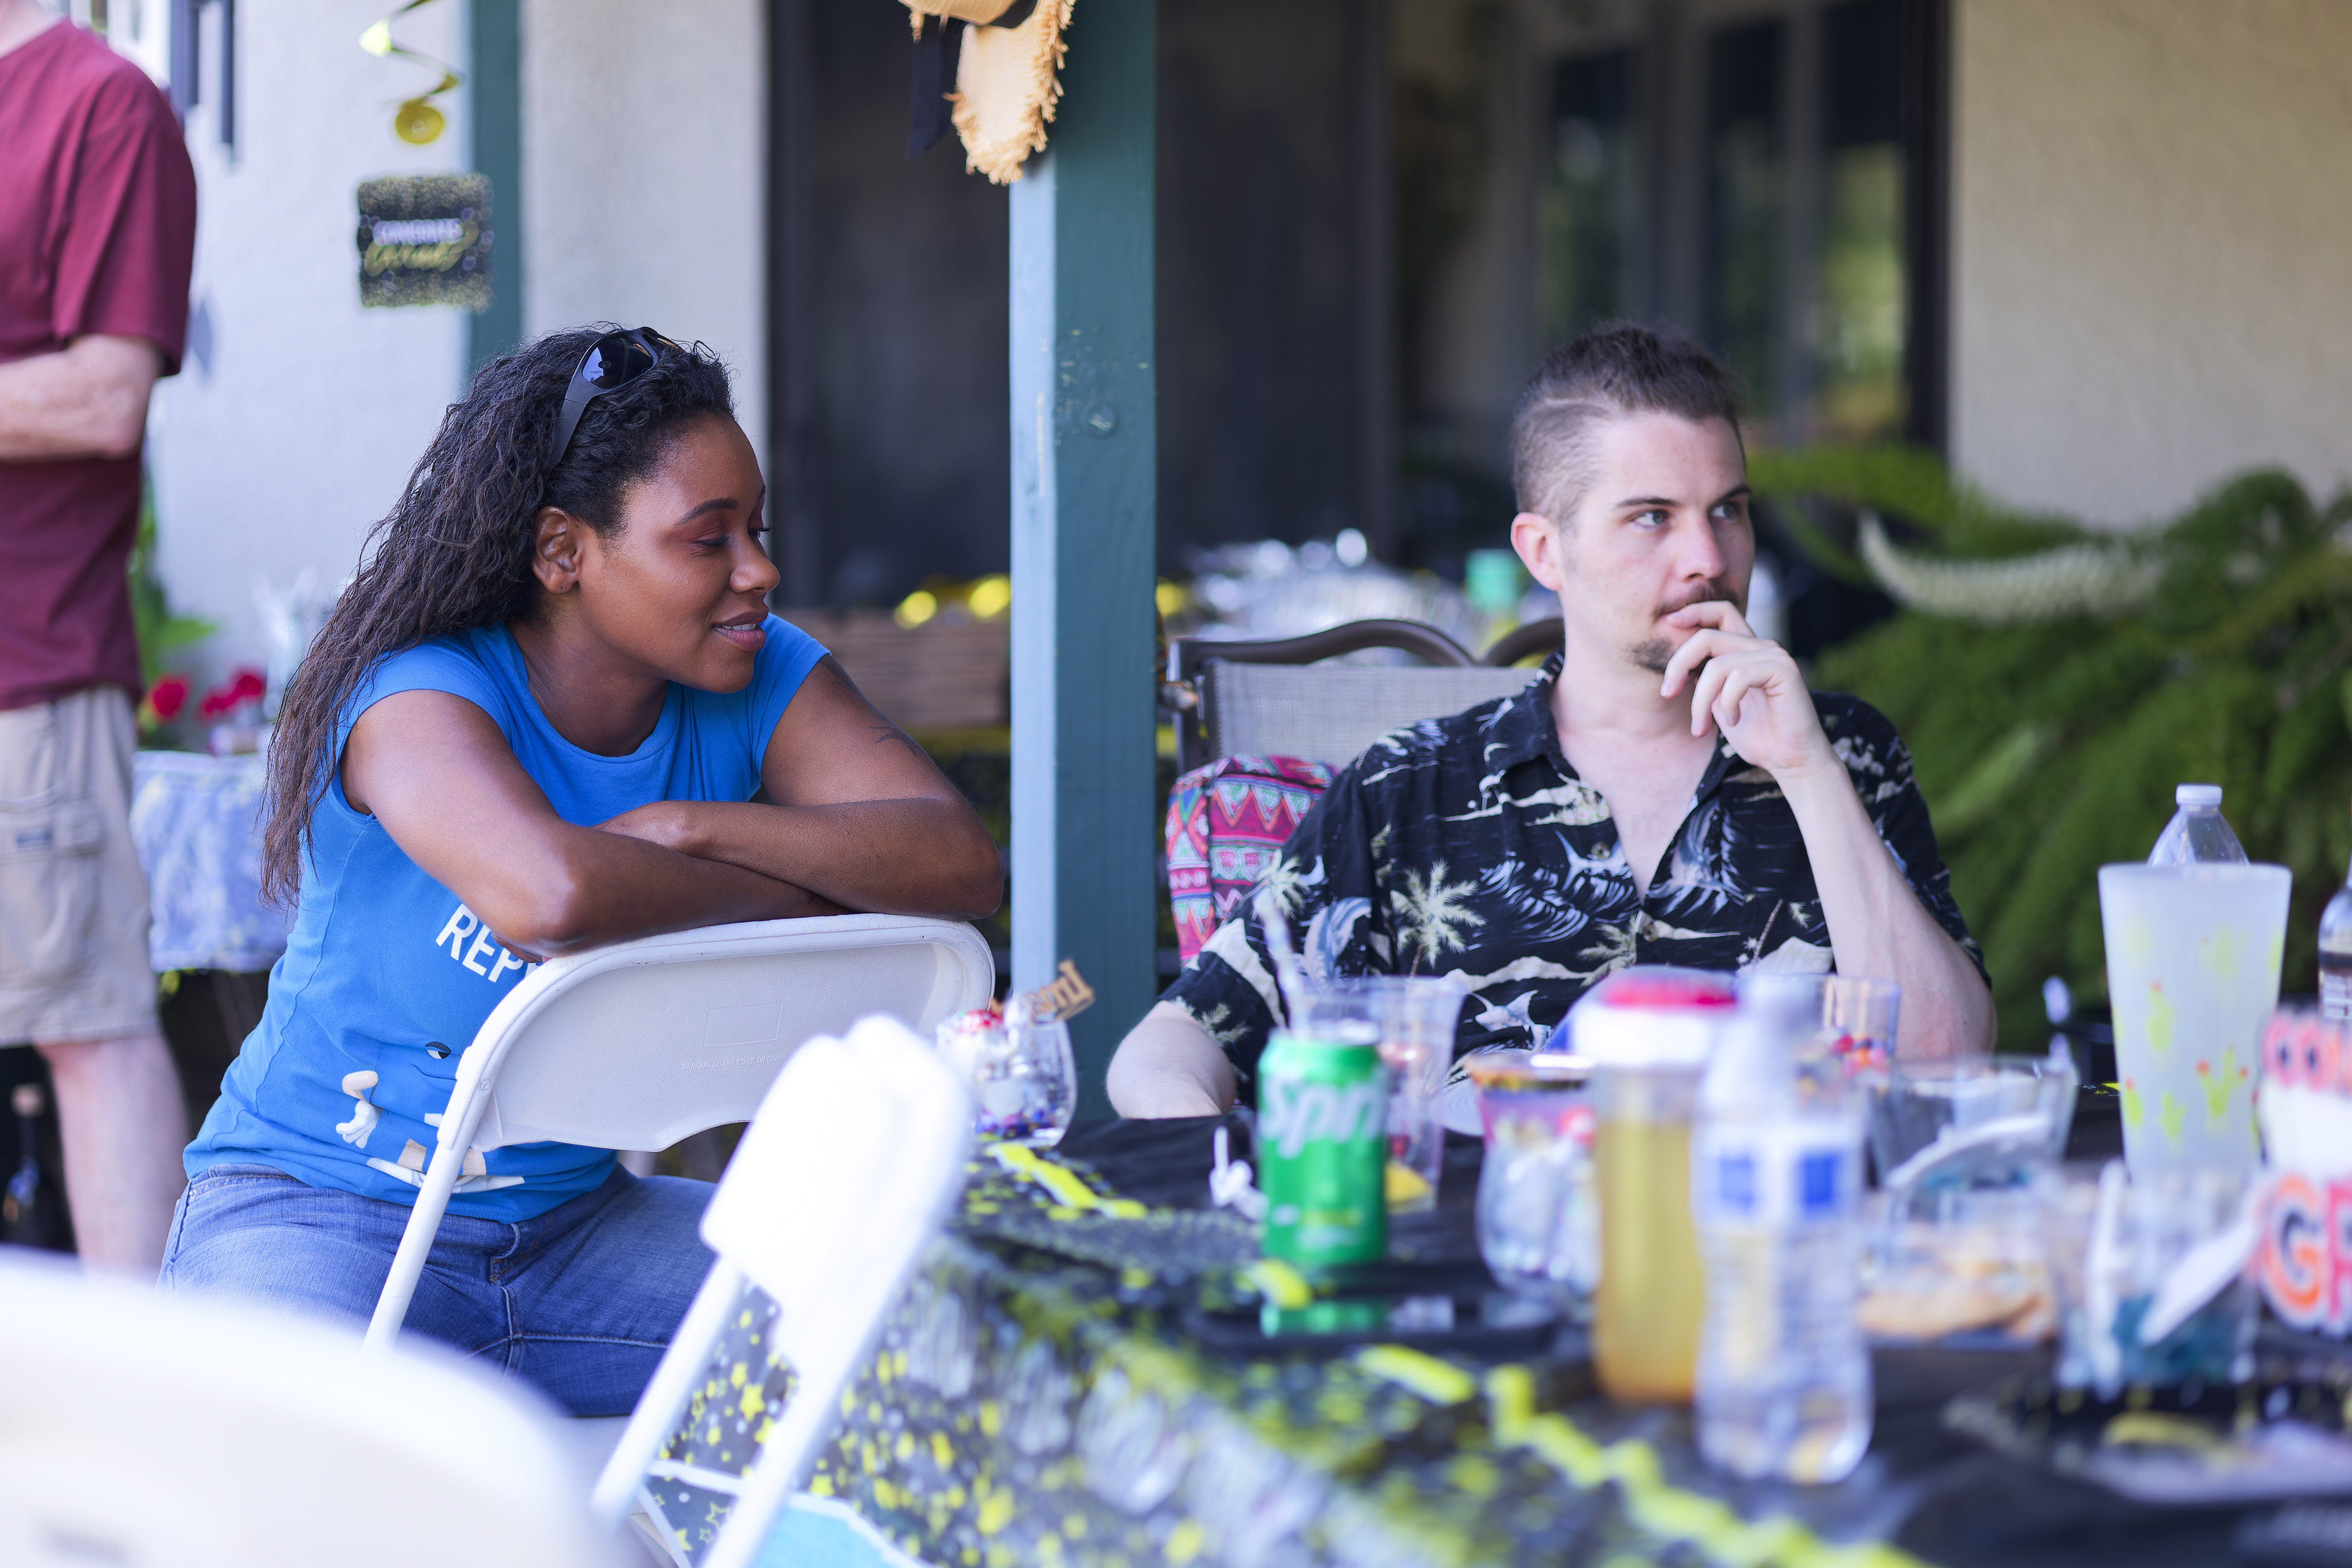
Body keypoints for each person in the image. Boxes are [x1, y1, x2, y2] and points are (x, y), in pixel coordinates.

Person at [160, 326, 1004, 1414]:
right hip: (317, 1212)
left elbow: (957, 863)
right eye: (709, 540)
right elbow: (550, 897)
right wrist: (792, 895)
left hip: (578, 1237)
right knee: (285, 1461)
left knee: (929, 1356)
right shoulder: (414, 695)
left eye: (756, 531)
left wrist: (694, 831)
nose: (760, 571)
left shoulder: (758, 670)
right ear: (562, 551)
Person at [1109, 325, 1994, 1118]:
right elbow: (1169, 1048)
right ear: (1544, 551)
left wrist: (1806, 772)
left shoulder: (1844, 754)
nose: (1708, 557)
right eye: (1652, 518)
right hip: (1476, 1241)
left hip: (1770, 1225)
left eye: (1727, 509)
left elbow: (1947, 1060)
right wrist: (1231, 1171)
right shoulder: (1407, 790)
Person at [0, 1, 199, 1273]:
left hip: (26, 669)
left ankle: (150, 1386)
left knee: (86, 1023)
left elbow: (105, 394)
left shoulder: (102, 104)